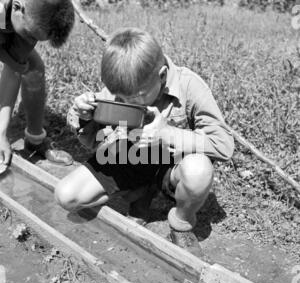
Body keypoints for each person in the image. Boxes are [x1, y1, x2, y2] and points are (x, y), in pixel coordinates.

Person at [56, 27, 235, 255]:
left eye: (134, 97)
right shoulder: (125, 86)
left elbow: (224, 145)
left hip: (172, 168)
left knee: (199, 170)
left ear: (161, 76)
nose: (125, 101)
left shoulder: (190, 85)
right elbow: (93, 141)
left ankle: (181, 222)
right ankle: (141, 189)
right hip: (131, 157)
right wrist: (83, 116)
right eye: (120, 97)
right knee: (66, 196)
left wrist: (167, 133)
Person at [0, 0, 75, 172]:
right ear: (19, 7)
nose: (30, 43)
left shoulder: (21, 14)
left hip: (8, 19)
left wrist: (1, 133)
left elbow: (14, 70)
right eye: (31, 36)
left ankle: (35, 140)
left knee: (34, 67)